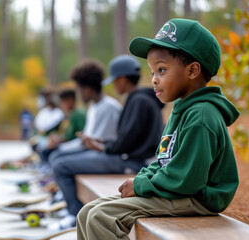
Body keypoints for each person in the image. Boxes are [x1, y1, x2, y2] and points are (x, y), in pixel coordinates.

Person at [77, 18, 240, 240]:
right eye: (152, 72)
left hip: (196, 198)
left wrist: (141, 184)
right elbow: (166, 162)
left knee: (101, 218)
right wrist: (142, 178)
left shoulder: (200, 116)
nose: (154, 80)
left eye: (161, 70)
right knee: (87, 212)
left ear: (192, 71)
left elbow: (187, 180)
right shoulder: (182, 109)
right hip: (178, 191)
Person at [48, 55, 165, 231]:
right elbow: (127, 138)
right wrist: (101, 142)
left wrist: (102, 146)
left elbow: (125, 142)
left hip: (133, 163)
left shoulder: (138, 100)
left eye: (115, 81)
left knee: (61, 165)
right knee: (60, 161)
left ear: (123, 79)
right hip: (129, 158)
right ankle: (73, 210)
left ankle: (74, 215)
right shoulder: (138, 99)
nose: (113, 85)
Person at [47, 59, 123, 230]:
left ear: (87, 88)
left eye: (79, 89)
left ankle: (74, 214)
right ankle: (68, 203)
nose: (79, 94)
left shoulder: (108, 107)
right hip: (97, 153)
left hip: (108, 155)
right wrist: (60, 146)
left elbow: (94, 142)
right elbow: (86, 140)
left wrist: (61, 148)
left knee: (59, 163)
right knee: (56, 156)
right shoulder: (95, 106)